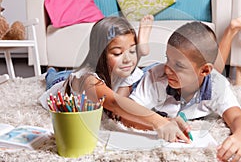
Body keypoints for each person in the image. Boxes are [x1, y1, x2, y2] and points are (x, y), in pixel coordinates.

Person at [40, 15, 190, 143]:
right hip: (62, 86)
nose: (128, 60)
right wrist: (159, 122)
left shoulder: (127, 73)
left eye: (132, 51)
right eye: (117, 53)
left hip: (107, 79)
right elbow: (113, 102)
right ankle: (51, 71)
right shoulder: (87, 80)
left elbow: (121, 113)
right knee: (55, 76)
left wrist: (166, 123)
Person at [129, 20, 241, 162]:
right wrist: (160, 122)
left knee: (216, 73)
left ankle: (231, 31)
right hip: (139, 76)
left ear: (205, 70)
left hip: (206, 76)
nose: (168, 69)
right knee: (124, 82)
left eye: (179, 65)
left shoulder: (216, 84)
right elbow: (128, 110)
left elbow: (237, 117)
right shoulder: (156, 77)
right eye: (167, 59)